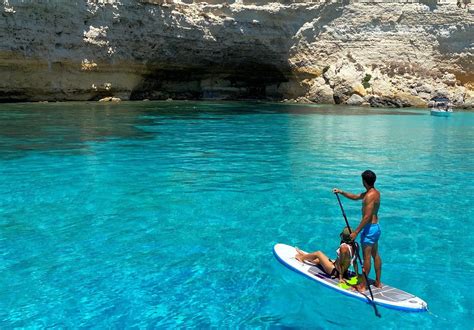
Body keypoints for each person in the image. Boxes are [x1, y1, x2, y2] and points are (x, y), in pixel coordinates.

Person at [333, 170, 382, 292]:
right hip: (376, 228)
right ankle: (377, 282)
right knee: (375, 254)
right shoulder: (375, 193)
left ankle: (363, 286)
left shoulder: (369, 196)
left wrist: (356, 232)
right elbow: (355, 197)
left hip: (369, 229)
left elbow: (367, 217)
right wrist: (341, 192)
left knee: (366, 258)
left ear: (364, 181)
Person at [295, 227, 359, 284]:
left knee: (318, 253)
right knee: (321, 260)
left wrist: (340, 278)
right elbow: (354, 261)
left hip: (335, 271)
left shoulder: (344, 248)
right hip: (344, 271)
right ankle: (305, 255)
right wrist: (357, 275)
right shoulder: (356, 245)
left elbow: (341, 264)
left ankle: (301, 258)